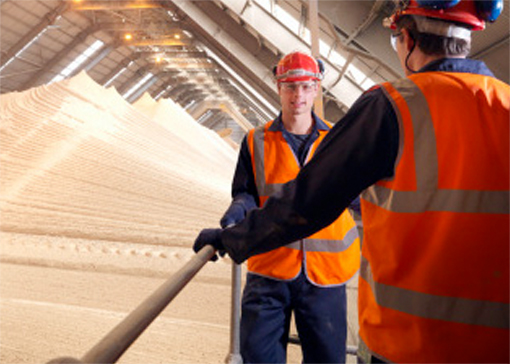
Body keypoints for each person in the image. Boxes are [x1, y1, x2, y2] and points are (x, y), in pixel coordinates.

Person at [194, 0, 509, 363]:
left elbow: (307, 203)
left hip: (406, 343)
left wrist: (232, 238)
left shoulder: (392, 107)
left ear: (406, 39)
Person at [218, 51, 361, 364]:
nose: (299, 95)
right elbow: (247, 192)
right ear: (278, 86)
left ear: (316, 89)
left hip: (326, 275)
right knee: (258, 357)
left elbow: (358, 196)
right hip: (269, 269)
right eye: (291, 86)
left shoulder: (337, 140)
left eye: (307, 87)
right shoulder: (256, 140)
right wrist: (236, 212)